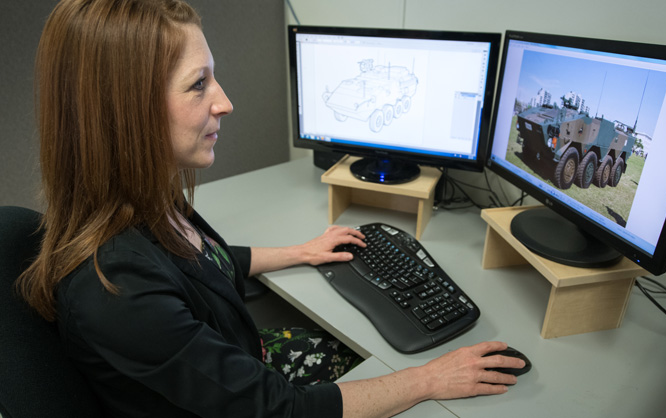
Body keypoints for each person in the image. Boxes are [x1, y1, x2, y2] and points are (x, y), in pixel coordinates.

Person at [17, 0, 526, 417]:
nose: (224, 102)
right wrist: (430, 379)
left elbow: (202, 262)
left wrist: (301, 252)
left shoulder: (145, 200)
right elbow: (282, 411)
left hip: (240, 358)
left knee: (358, 354)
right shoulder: (117, 291)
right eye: (198, 84)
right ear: (126, 112)